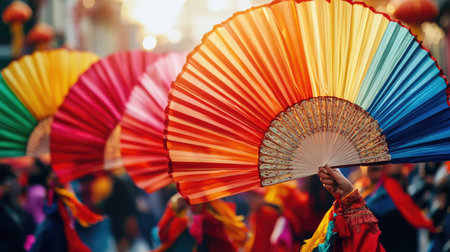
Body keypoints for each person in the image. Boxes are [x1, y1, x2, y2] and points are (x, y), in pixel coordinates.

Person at [301, 165, 385, 252]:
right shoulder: (358, 184)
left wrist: (350, 198)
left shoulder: (392, 193)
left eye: (380, 162)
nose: (374, 165)